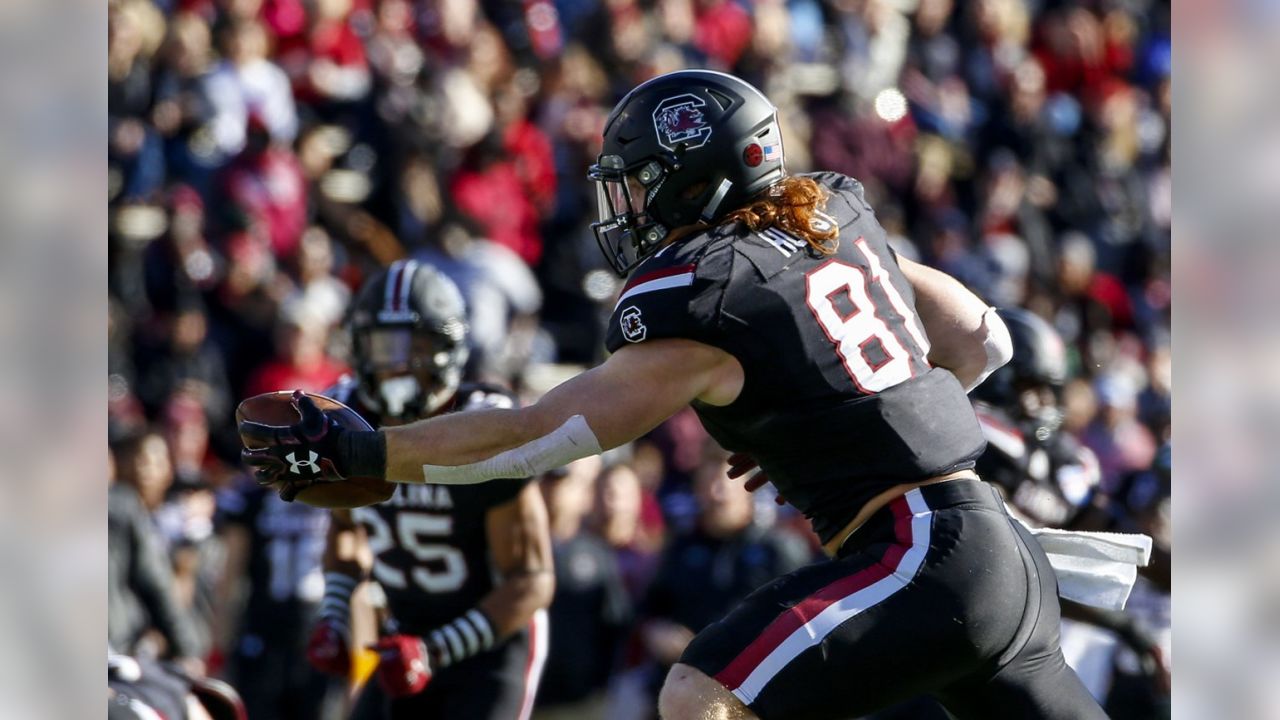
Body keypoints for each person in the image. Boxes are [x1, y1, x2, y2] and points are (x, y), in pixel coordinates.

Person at [242, 70, 1107, 720]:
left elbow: (540, 435)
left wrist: (374, 452)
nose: (624, 206)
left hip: (920, 555)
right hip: (1000, 549)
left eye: (636, 179)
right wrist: (848, 419)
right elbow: (981, 338)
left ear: (693, 177)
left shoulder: (709, 295)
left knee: (699, 692)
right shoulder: (832, 221)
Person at [304, 260, 554, 720]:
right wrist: (335, 616)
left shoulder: (481, 424)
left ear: (446, 347)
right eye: (382, 346)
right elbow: (345, 530)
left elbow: (531, 581)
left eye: (412, 346)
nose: (394, 364)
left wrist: (434, 651)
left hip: (490, 644)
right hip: (403, 634)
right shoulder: (348, 415)